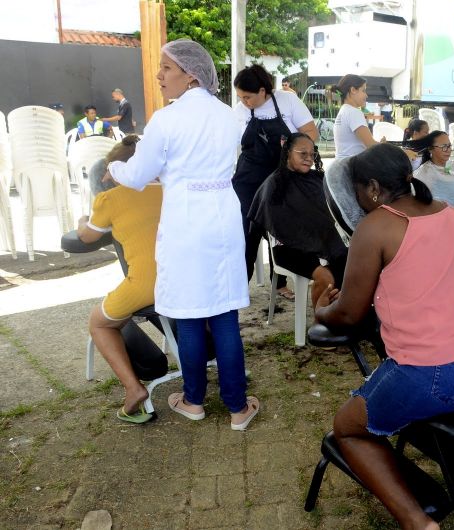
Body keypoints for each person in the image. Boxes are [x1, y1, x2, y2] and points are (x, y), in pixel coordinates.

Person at [315, 143, 454, 530]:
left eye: (358, 191)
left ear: (374, 189)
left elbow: (348, 314)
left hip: (440, 377)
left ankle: (418, 523)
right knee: (405, 406)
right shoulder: (449, 214)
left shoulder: (376, 226)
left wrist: (320, 308)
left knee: (349, 429)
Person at [106, 39, 258, 431]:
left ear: (191, 74)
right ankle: (238, 408)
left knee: (190, 317)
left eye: (166, 68)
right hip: (223, 216)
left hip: (186, 221)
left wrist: (115, 173)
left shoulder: (166, 119)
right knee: (224, 314)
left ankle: (193, 400)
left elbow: (138, 175)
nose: (159, 76)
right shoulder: (229, 116)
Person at [77, 135, 161, 424]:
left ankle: (133, 389)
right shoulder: (166, 189)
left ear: (113, 170)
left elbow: (86, 236)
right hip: (181, 279)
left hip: (146, 285)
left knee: (99, 322)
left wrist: (82, 220)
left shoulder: (108, 199)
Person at [231, 64, 318, 289]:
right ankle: (240, 286)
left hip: (283, 177)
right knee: (246, 231)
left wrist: (292, 147)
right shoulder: (240, 111)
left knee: (281, 230)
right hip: (249, 179)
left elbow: (311, 133)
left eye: (247, 97)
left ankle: (279, 283)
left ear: (263, 91)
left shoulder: (287, 101)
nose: (243, 102)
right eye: (240, 97)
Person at [247, 133, 347, 307]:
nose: (309, 159)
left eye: (312, 154)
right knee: (326, 276)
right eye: (303, 154)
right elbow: (267, 223)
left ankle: (340, 315)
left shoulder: (318, 179)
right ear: (288, 153)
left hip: (322, 242)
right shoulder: (274, 184)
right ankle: (321, 326)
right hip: (288, 248)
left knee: (353, 266)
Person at [333, 74, 379, 159]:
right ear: (353, 90)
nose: (366, 95)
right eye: (363, 90)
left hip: (343, 166)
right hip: (352, 167)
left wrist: (380, 144)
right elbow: (371, 145)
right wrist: (399, 151)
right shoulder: (354, 112)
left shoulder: (344, 110)